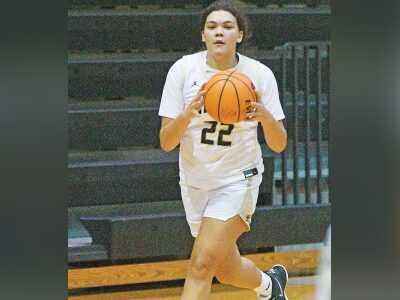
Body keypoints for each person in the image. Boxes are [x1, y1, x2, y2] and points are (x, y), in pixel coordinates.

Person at [158, 1, 288, 299]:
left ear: (239, 35)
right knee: (225, 270)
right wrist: (188, 114)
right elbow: (166, 142)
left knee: (201, 266)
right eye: (212, 27)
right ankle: (269, 285)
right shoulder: (183, 70)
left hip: (238, 180)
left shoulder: (259, 74)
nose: (220, 33)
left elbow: (279, 144)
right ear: (203, 35)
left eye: (228, 27)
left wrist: (265, 116)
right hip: (195, 181)